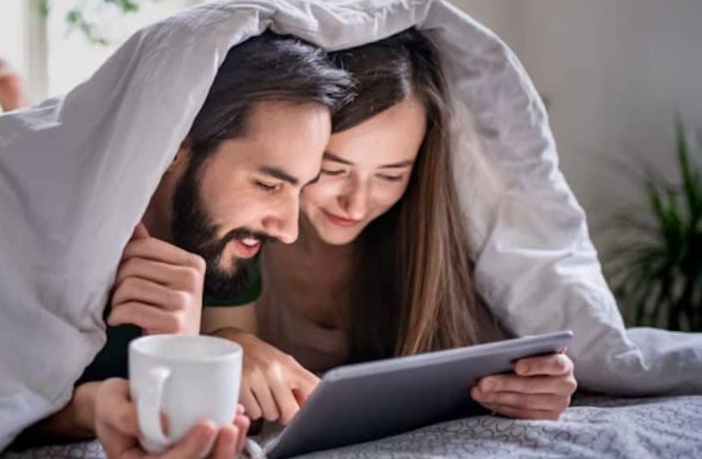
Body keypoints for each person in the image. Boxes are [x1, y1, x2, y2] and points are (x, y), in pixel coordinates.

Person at [0, 34, 357, 458]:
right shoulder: (8, 210)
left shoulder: (229, 235)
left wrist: (218, 344)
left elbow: (211, 350)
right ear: (172, 146)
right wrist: (87, 407)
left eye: (300, 186)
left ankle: (10, 97)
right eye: (269, 185)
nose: (289, 230)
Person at [203, 28, 579, 426]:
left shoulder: (424, 241)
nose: (357, 203)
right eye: (333, 170)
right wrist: (228, 346)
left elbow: (496, 361)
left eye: (390, 176)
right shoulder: (244, 238)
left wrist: (537, 384)